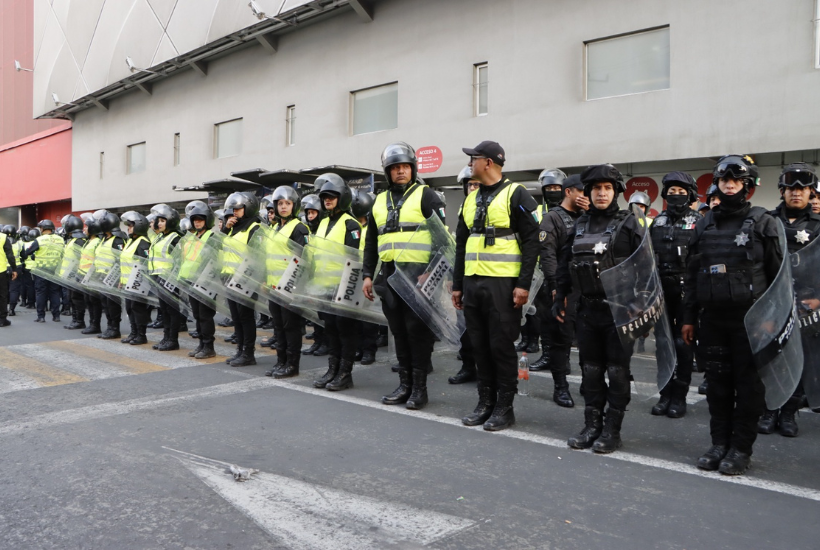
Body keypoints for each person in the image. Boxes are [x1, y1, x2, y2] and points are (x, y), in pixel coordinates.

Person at [682, 154, 782, 475]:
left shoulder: (765, 222)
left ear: (747, 186)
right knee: (718, 385)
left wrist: (772, 319)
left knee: (748, 387)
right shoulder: (704, 223)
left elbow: (779, 278)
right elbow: (692, 275)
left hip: (752, 322)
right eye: (724, 180)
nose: (729, 185)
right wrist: (688, 317)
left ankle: (740, 449)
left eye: (736, 180)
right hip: (713, 320)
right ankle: (718, 444)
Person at [554, 164, 643, 452]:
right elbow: (565, 266)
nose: (601, 193)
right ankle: (591, 425)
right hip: (588, 310)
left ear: (616, 191)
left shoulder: (631, 223)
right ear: (589, 192)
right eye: (596, 188)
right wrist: (560, 297)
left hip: (619, 312)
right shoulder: (579, 224)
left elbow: (646, 269)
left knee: (617, 372)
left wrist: (640, 307)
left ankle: (611, 431)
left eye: (607, 188)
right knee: (590, 371)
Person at [451, 140, 539, 430]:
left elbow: (531, 243)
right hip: (473, 284)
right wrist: (457, 285)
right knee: (479, 346)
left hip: (503, 286)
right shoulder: (470, 198)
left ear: (488, 162)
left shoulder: (517, 194)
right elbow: (461, 244)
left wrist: (523, 285)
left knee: (500, 347)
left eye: (473, 158)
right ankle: (484, 403)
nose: (469, 163)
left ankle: (504, 407)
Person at [362, 143, 446, 409]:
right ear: (387, 172)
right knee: (398, 332)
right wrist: (367, 274)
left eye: (404, 167)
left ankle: (419, 390)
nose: (400, 172)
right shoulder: (378, 202)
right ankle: (405, 385)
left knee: (416, 333)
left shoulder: (426, 195)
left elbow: (442, 241)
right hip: (389, 276)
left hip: (418, 276)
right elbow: (371, 243)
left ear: (413, 169)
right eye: (395, 168)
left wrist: (431, 273)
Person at [757, 163, 820, 437]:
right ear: (782, 192)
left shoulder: (818, 226)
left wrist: (818, 299)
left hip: (807, 304)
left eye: (803, 189)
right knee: (771, 357)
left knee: (799, 359)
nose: (797, 193)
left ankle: (789, 414)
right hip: (772, 302)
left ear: (810, 193)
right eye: (791, 189)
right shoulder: (767, 221)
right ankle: (769, 410)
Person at [648, 172, 702, 418]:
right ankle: (665, 393)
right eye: (672, 192)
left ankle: (679, 397)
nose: (676, 196)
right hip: (661, 292)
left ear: (690, 195)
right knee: (662, 344)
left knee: (683, 344)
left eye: (681, 192)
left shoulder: (699, 222)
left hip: (688, 293)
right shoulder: (656, 223)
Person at [535, 173, 588, 407]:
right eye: (583, 192)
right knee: (561, 340)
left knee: (588, 339)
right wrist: (557, 288)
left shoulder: (589, 217)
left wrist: (591, 213)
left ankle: (590, 383)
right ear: (569, 192)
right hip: (562, 287)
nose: (588, 197)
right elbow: (547, 255)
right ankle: (561, 387)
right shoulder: (553, 218)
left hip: (587, 288)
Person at [311, 174, 362, 391]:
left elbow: (355, 257)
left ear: (342, 198)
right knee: (330, 329)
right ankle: (332, 368)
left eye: (332, 197)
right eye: (325, 197)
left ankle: (345, 372)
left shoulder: (350, 223)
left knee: (345, 330)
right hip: (324, 286)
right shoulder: (322, 222)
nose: (328, 200)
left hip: (343, 287)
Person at [264, 187, 310, 378]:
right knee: (278, 326)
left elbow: (302, 259)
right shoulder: (274, 228)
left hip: (290, 286)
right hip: (274, 286)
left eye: (287, 204)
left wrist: (295, 286)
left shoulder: (299, 228)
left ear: (294, 206)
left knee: (291, 327)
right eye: (280, 204)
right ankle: (281, 361)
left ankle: (292, 364)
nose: (283, 207)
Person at [221, 193, 263, 366]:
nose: (235, 213)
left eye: (238, 209)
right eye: (233, 210)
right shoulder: (233, 228)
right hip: (230, 278)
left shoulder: (255, 227)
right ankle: (240, 350)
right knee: (236, 317)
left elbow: (258, 255)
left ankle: (248, 353)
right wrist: (225, 229)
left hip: (245, 278)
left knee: (245, 317)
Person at [449, 165, 480, 385]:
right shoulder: (464, 209)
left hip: (492, 278)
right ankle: (468, 367)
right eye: (470, 184)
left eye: (477, 184)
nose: (473, 188)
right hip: (468, 275)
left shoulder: (495, 204)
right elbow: (460, 248)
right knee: (464, 327)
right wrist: (456, 281)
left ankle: (487, 373)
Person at [180, 201, 219, 359]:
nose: (197, 222)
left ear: (207, 220)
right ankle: (202, 344)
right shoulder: (192, 237)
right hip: (191, 280)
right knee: (197, 314)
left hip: (205, 282)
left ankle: (209, 346)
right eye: (195, 219)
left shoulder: (212, 237)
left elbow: (214, 261)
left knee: (205, 315)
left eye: (200, 219)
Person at [149, 204, 184, 351]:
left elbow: (180, 260)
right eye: (159, 221)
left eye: (163, 220)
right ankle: (166, 337)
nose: (159, 223)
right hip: (158, 278)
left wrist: (174, 279)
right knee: (164, 311)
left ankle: (173, 340)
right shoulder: (160, 237)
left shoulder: (175, 238)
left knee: (172, 311)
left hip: (170, 279)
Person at [351, 189, 380, 366]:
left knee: (369, 317)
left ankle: (369, 350)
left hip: (370, 275)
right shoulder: (353, 227)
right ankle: (360, 348)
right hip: (355, 275)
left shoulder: (370, 228)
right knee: (357, 316)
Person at [118, 211, 152, 346]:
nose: (128, 228)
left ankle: (141, 335)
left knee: (138, 309)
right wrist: (122, 280)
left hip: (138, 283)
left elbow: (144, 263)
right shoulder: (131, 241)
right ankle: (134, 333)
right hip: (127, 283)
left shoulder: (143, 242)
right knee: (130, 309)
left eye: (131, 225)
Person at [300, 193, 327, 357]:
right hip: (315, 278)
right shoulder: (311, 233)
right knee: (316, 315)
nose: (310, 216)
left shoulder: (323, 232)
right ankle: (318, 341)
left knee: (325, 317)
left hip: (327, 280)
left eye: (313, 213)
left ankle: (326, 343)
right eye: (308, 213)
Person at [22, 219, 64, 323]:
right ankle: (56, 316)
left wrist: (34, 255)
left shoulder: (40, 240)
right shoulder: (60, 239)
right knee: (55, 293)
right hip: (55, 270)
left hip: (41, 271)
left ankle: (41, 316)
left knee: (41, 293)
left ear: (42, 229)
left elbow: (27, 252)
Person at [92, 211, 125, 339]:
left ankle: (115, 328)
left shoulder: (117, 240)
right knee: (105, 303)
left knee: (112, 304)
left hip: (113, 277)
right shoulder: (104, 239)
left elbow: (120, 259)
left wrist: (118, 277)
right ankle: (109, 327)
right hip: (102, 276)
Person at [59, 215, 88, 330]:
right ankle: (75, 319)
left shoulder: (79, 241)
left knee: (77, 298)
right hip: (70, 275)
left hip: (76, 274)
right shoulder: (74, 240)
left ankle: (79, 320)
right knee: (72, 298)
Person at [0, 225, 17, 327]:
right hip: (1, 271)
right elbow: (10, 255)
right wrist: (14, 269)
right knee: (2, 295)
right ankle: (2, 319)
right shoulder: (2, 237)